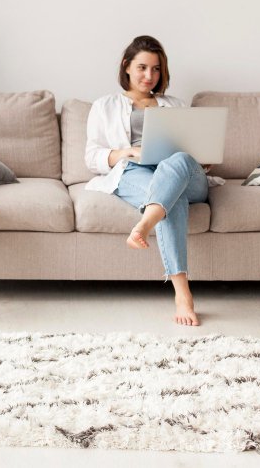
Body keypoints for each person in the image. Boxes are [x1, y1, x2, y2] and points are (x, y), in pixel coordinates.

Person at [84, 35, 213, 326]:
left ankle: (143, 225)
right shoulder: (104, 105)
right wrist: (127, 151)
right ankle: (183, 294)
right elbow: (92, 157)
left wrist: (204, 154)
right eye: (142, 67)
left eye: (156, 69)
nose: (149, 76)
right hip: (134, 172)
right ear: (126, 66)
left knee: (177, 161)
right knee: (170, 197)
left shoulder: (175, 104)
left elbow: (194, 152)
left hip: (184, 173)